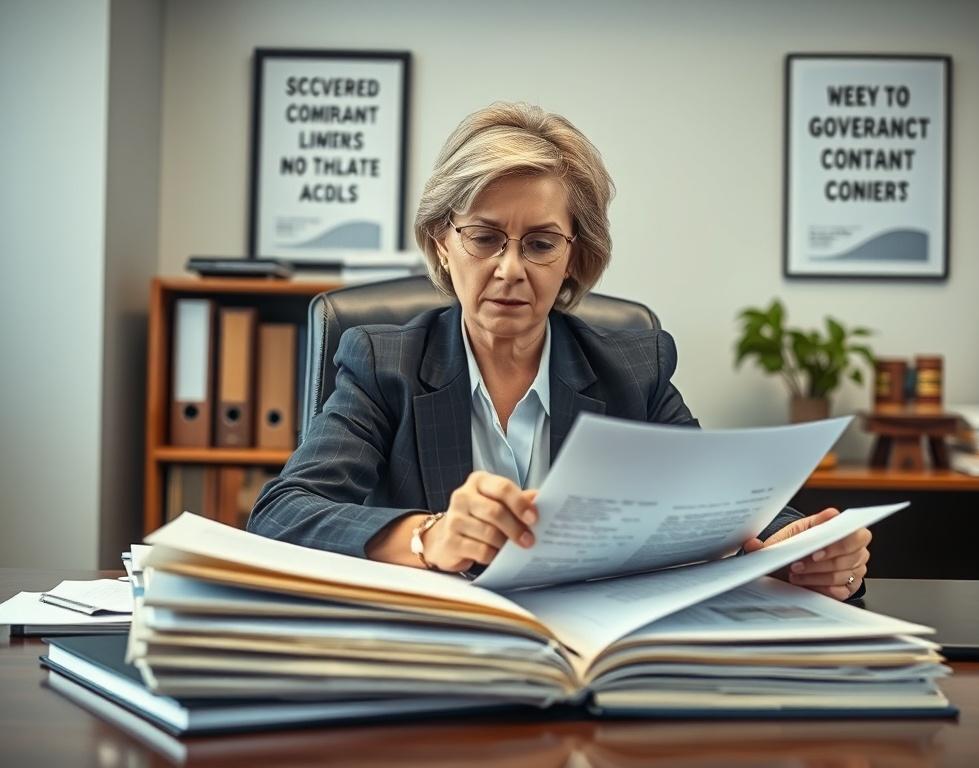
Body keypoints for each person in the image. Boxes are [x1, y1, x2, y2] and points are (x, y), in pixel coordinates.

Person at [248, 102, 870, 601]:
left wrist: (805, 552)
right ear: (442, 243)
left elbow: (721, 501)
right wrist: (426, 538)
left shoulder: (632, 369)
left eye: (541, 243)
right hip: (432, 663)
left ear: (575, 254)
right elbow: (283, 513)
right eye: (485, 238)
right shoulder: (385, 365)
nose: (510, 270)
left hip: (591, 660)